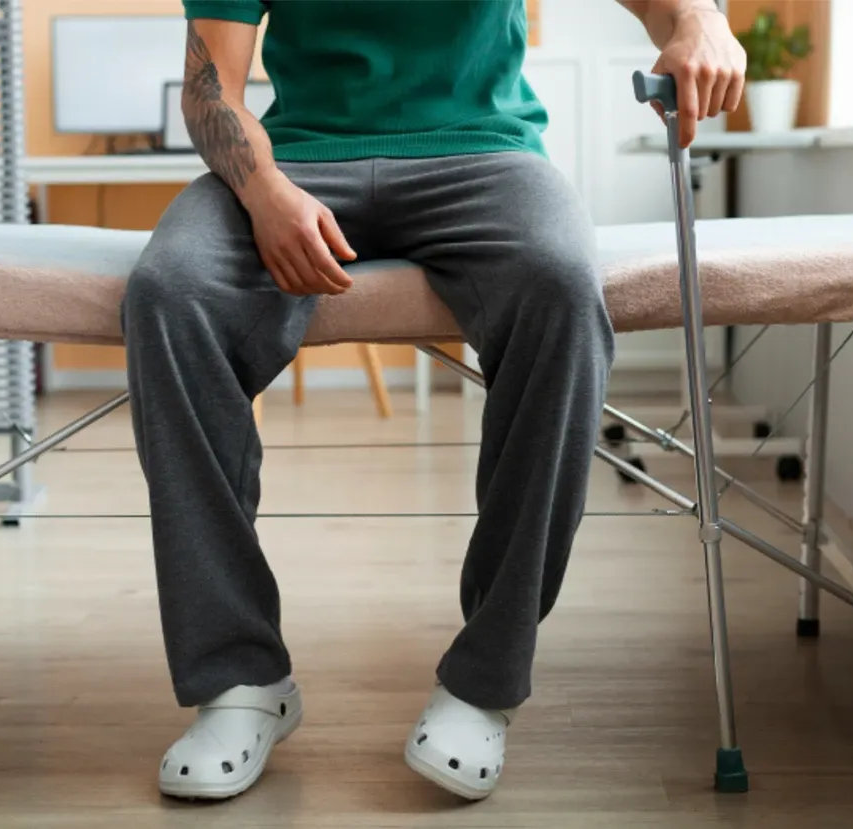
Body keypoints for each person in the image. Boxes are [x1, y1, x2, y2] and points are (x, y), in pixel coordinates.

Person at [122, 0, 746, 802]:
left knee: (559, 288)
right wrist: (266, 193)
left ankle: (485, 677)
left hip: (485, 160)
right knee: (168, 291)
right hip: (301, 160)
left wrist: (701, 22)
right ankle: (239, 681)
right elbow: (211, 88)